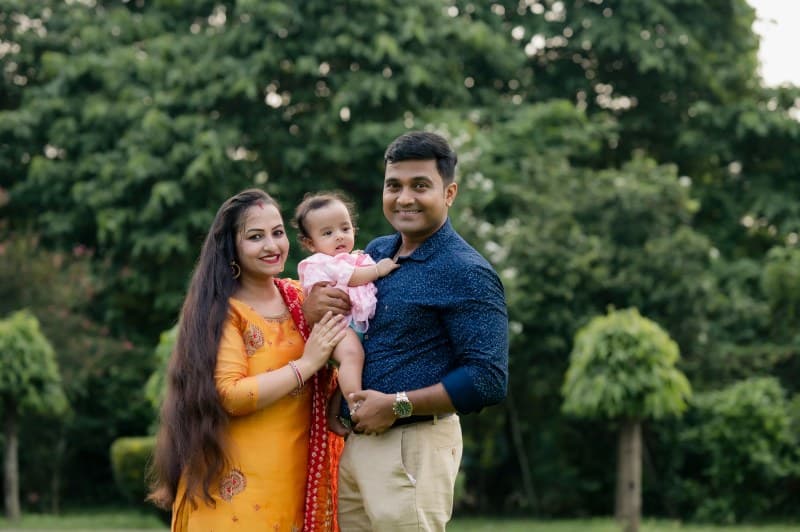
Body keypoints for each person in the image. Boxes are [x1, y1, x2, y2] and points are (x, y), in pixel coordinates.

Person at [304, 131, 509, 531]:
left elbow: (488, 379)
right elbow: (359, 334)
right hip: (357, 444)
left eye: (420, 186)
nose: (404, 198)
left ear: (449, 193)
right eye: (394, 186)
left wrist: (396, 405)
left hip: (413, 444)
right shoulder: (376, 252)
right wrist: (315, 308)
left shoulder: (466, 271)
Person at [148, 188, 349, 532]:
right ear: (232, 248)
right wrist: (306, 364)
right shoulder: (225, 313)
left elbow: (354, 344)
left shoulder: (301, 296)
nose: (272, 246)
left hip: (296, 487)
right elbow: (230, 394)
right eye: (256, 237)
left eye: (277, 233)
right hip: (235, 500)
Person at [293, 191, 400, 413]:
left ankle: (337, 408)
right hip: (337, 325)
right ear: (310, 243)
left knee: (355, 363)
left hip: (352, 324)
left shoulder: (352, 258)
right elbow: (350, 277)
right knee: (352, 356)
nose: (339, 236)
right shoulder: (319, 262)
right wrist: (377, 270)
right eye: (328, 233)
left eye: (345, 229)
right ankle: (355, 400)